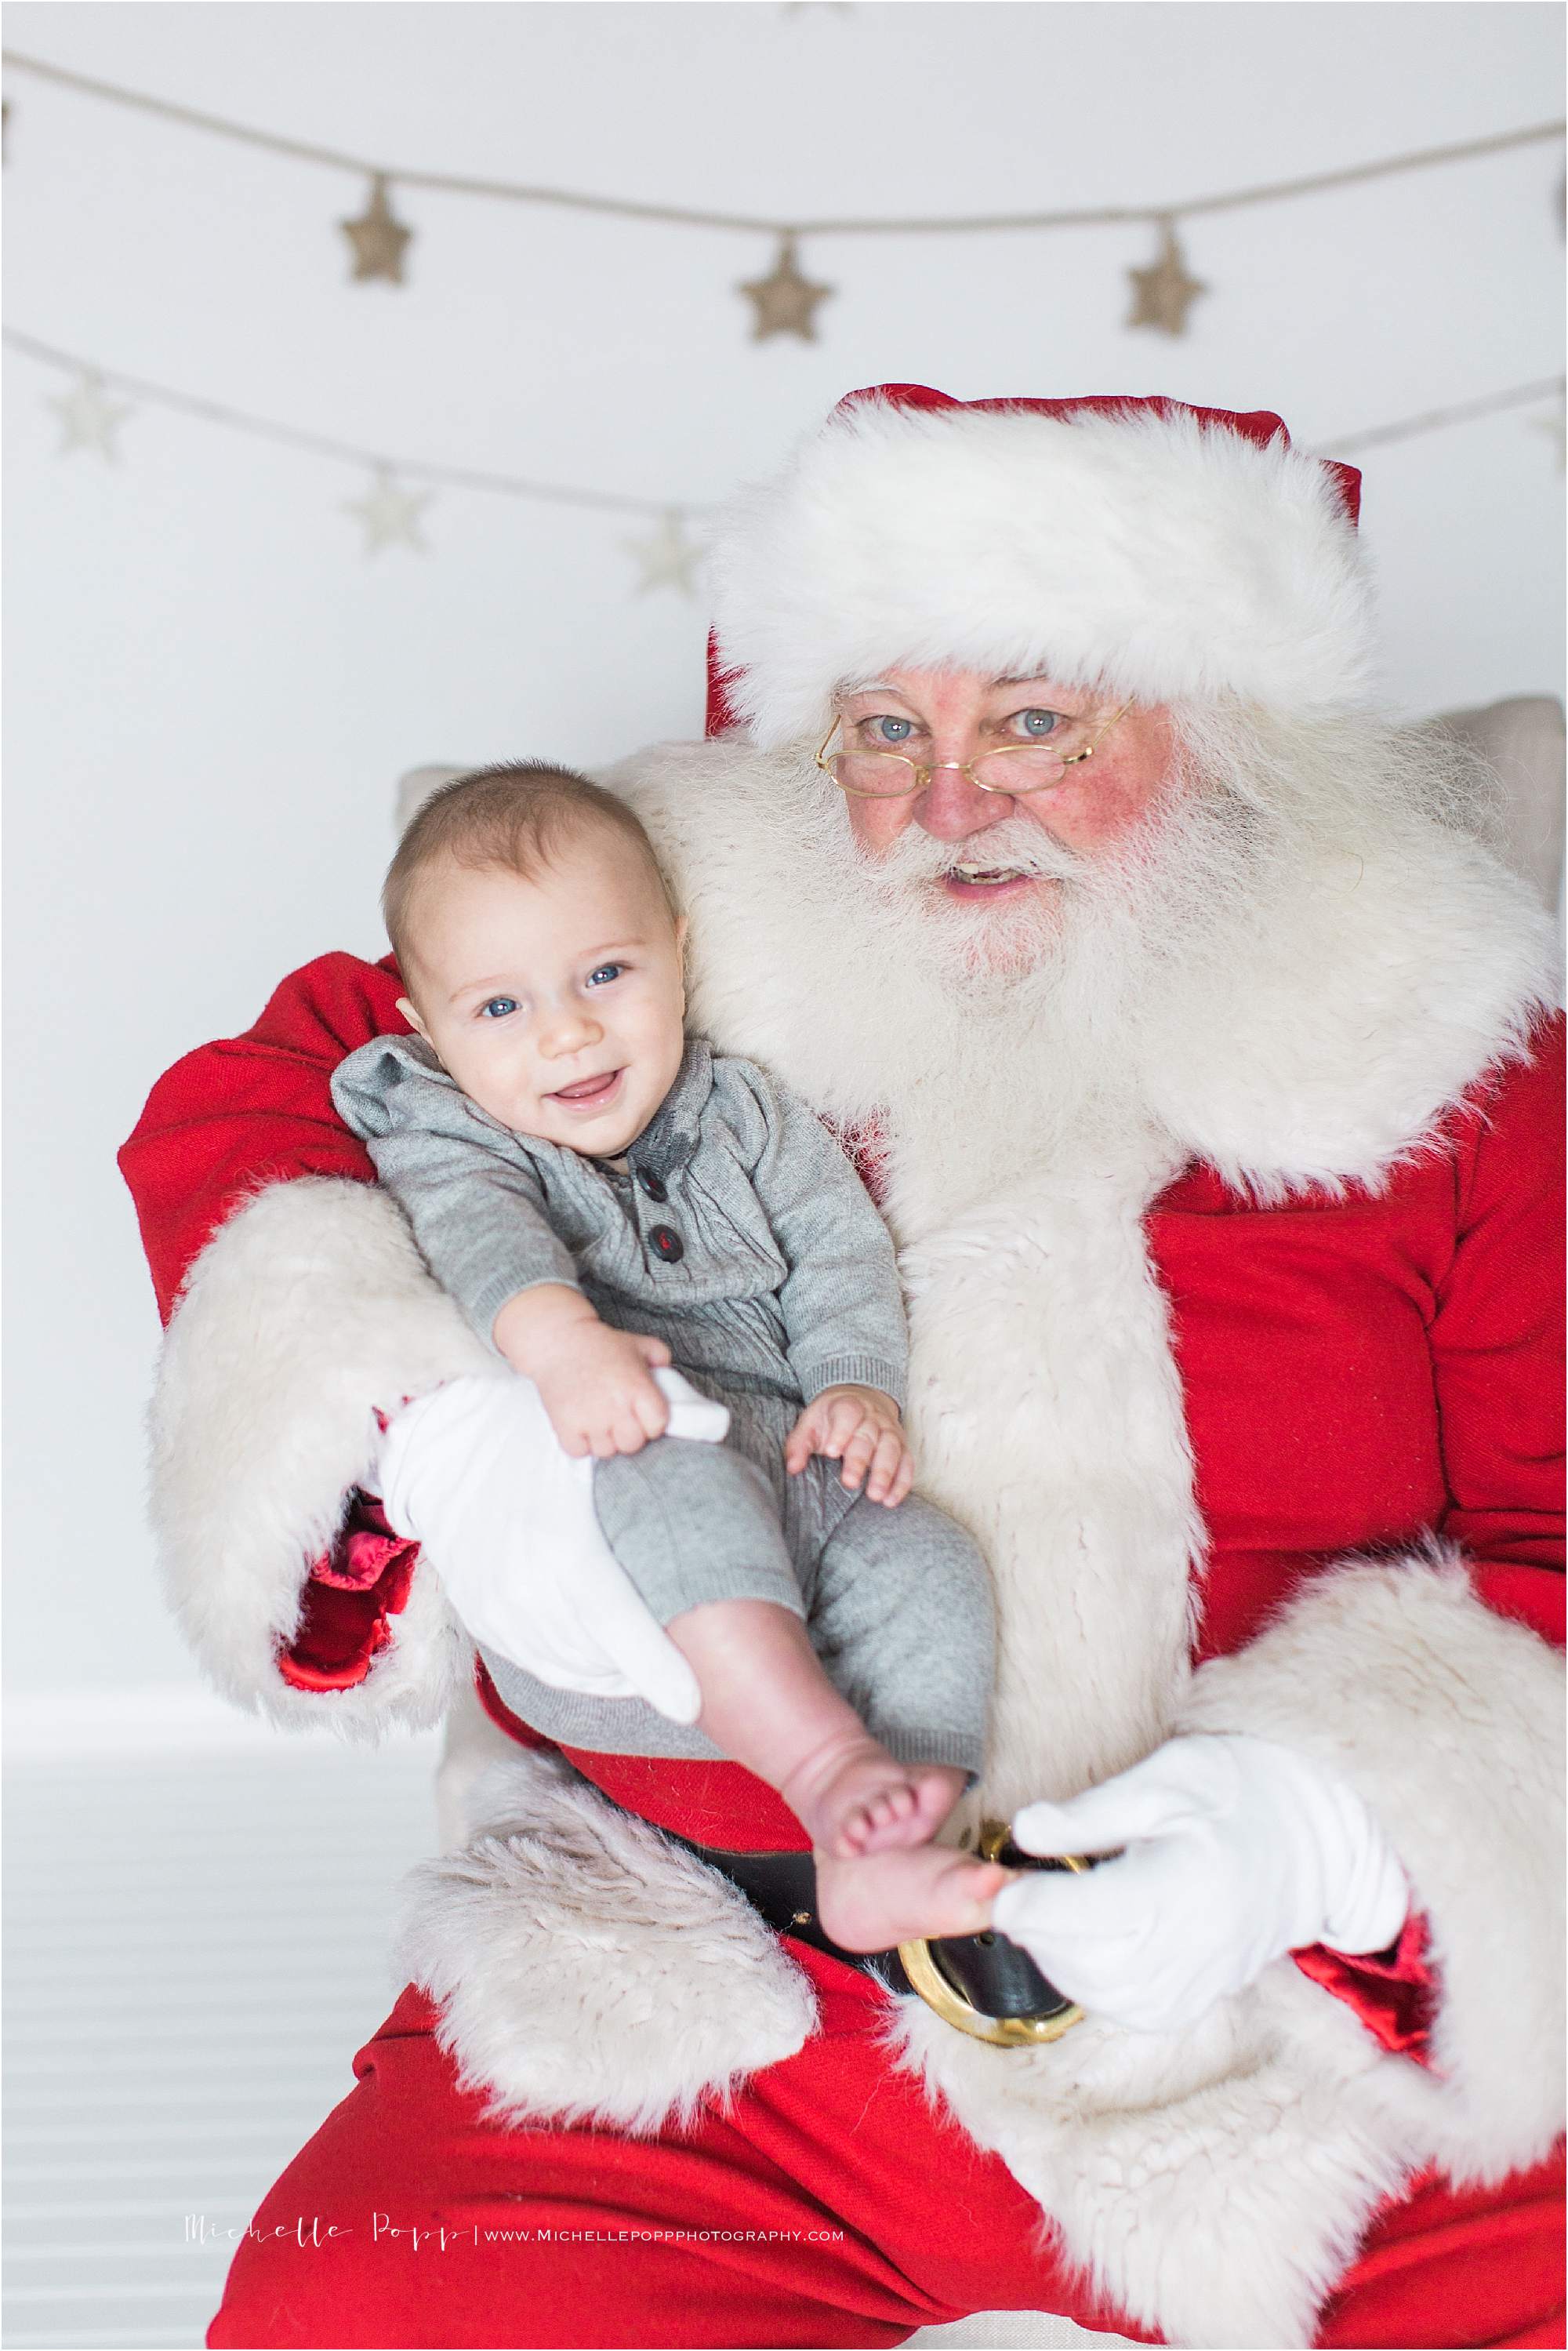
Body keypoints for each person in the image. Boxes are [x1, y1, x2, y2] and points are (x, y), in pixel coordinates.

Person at [120, 386, 1563, 2351]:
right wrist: (453, 1424)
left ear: (1221, 729)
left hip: (1296, 2035)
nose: (948, 801)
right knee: (355, 2316)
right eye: (885, 728)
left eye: (1037, 721)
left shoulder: (1456, 1049)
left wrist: (1319, 1834)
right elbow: (276, 1086)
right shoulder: (678, 933)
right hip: (733, 2000)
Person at [330, 758, 1004, 1952]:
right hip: (617, 1518)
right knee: (666, 1460)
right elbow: (480, 1232)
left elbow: (836, 1250)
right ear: (426, 1030)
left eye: (606, 972)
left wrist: (856, 1386)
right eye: (502, 1008)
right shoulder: (449, 1123)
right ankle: (829, 1771)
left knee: (930, 1557)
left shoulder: (745, 1110)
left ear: (677, 952)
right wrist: (564, 1343)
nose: (571, 1029)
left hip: (786, 1463)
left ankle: (900, 1848)